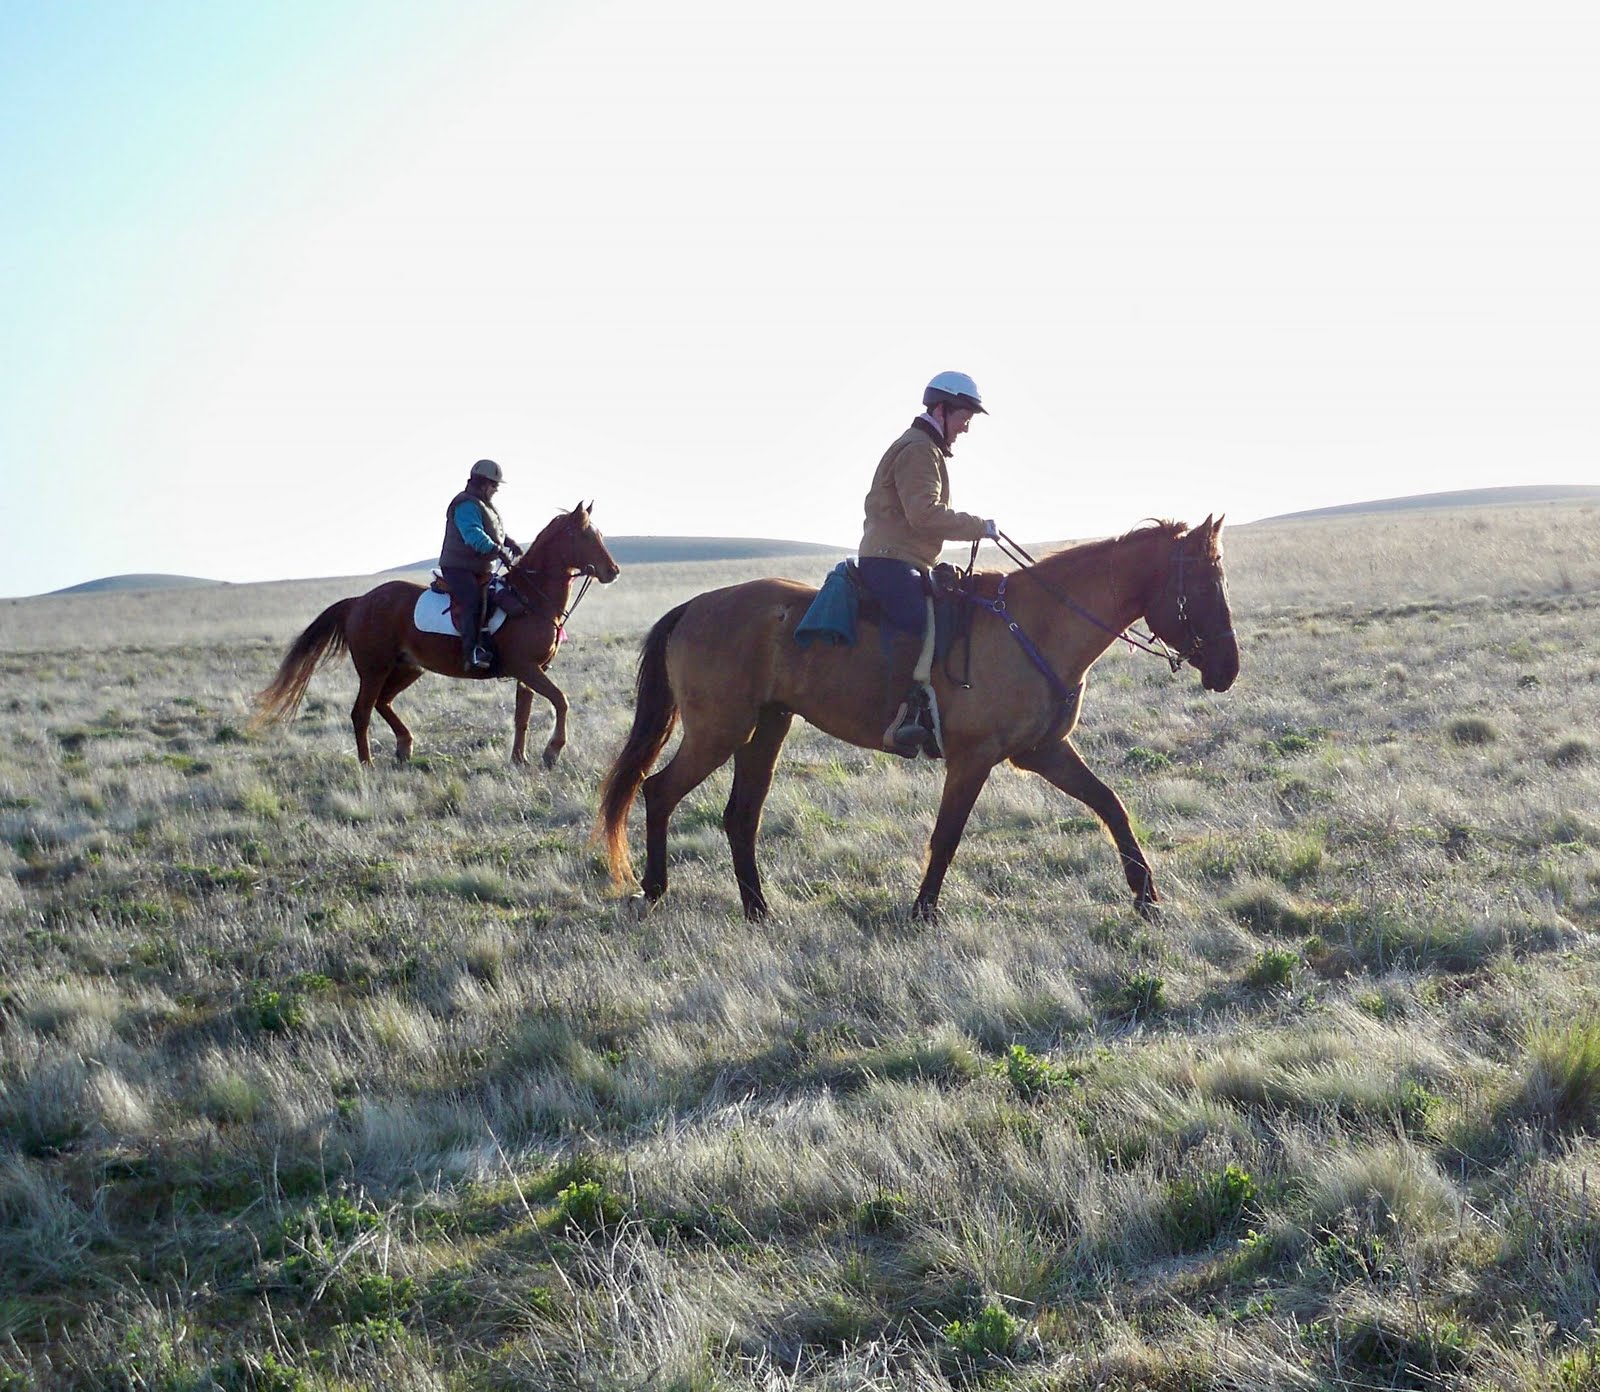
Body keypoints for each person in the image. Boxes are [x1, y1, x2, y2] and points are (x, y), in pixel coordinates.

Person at [857, 371, 998, 756]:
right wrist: (979, 526)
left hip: (906, 558)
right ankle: (899, 717)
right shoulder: (919, 449)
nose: (966, 427)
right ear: (941, 410)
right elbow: (924, 514)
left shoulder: (925, 448)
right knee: (917, 621)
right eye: (964, 417)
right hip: (890, 559)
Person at [439, 459, 522, 671]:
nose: (496, 489)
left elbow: (492, 531)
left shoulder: (483, 504)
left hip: (478, 568)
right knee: (472, 599)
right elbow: (474, 535)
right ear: (484, 483)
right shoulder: (466, 504)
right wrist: (497, 551)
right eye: (494, 485)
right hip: (458, 568)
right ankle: (472, 653)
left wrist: (509, 543)